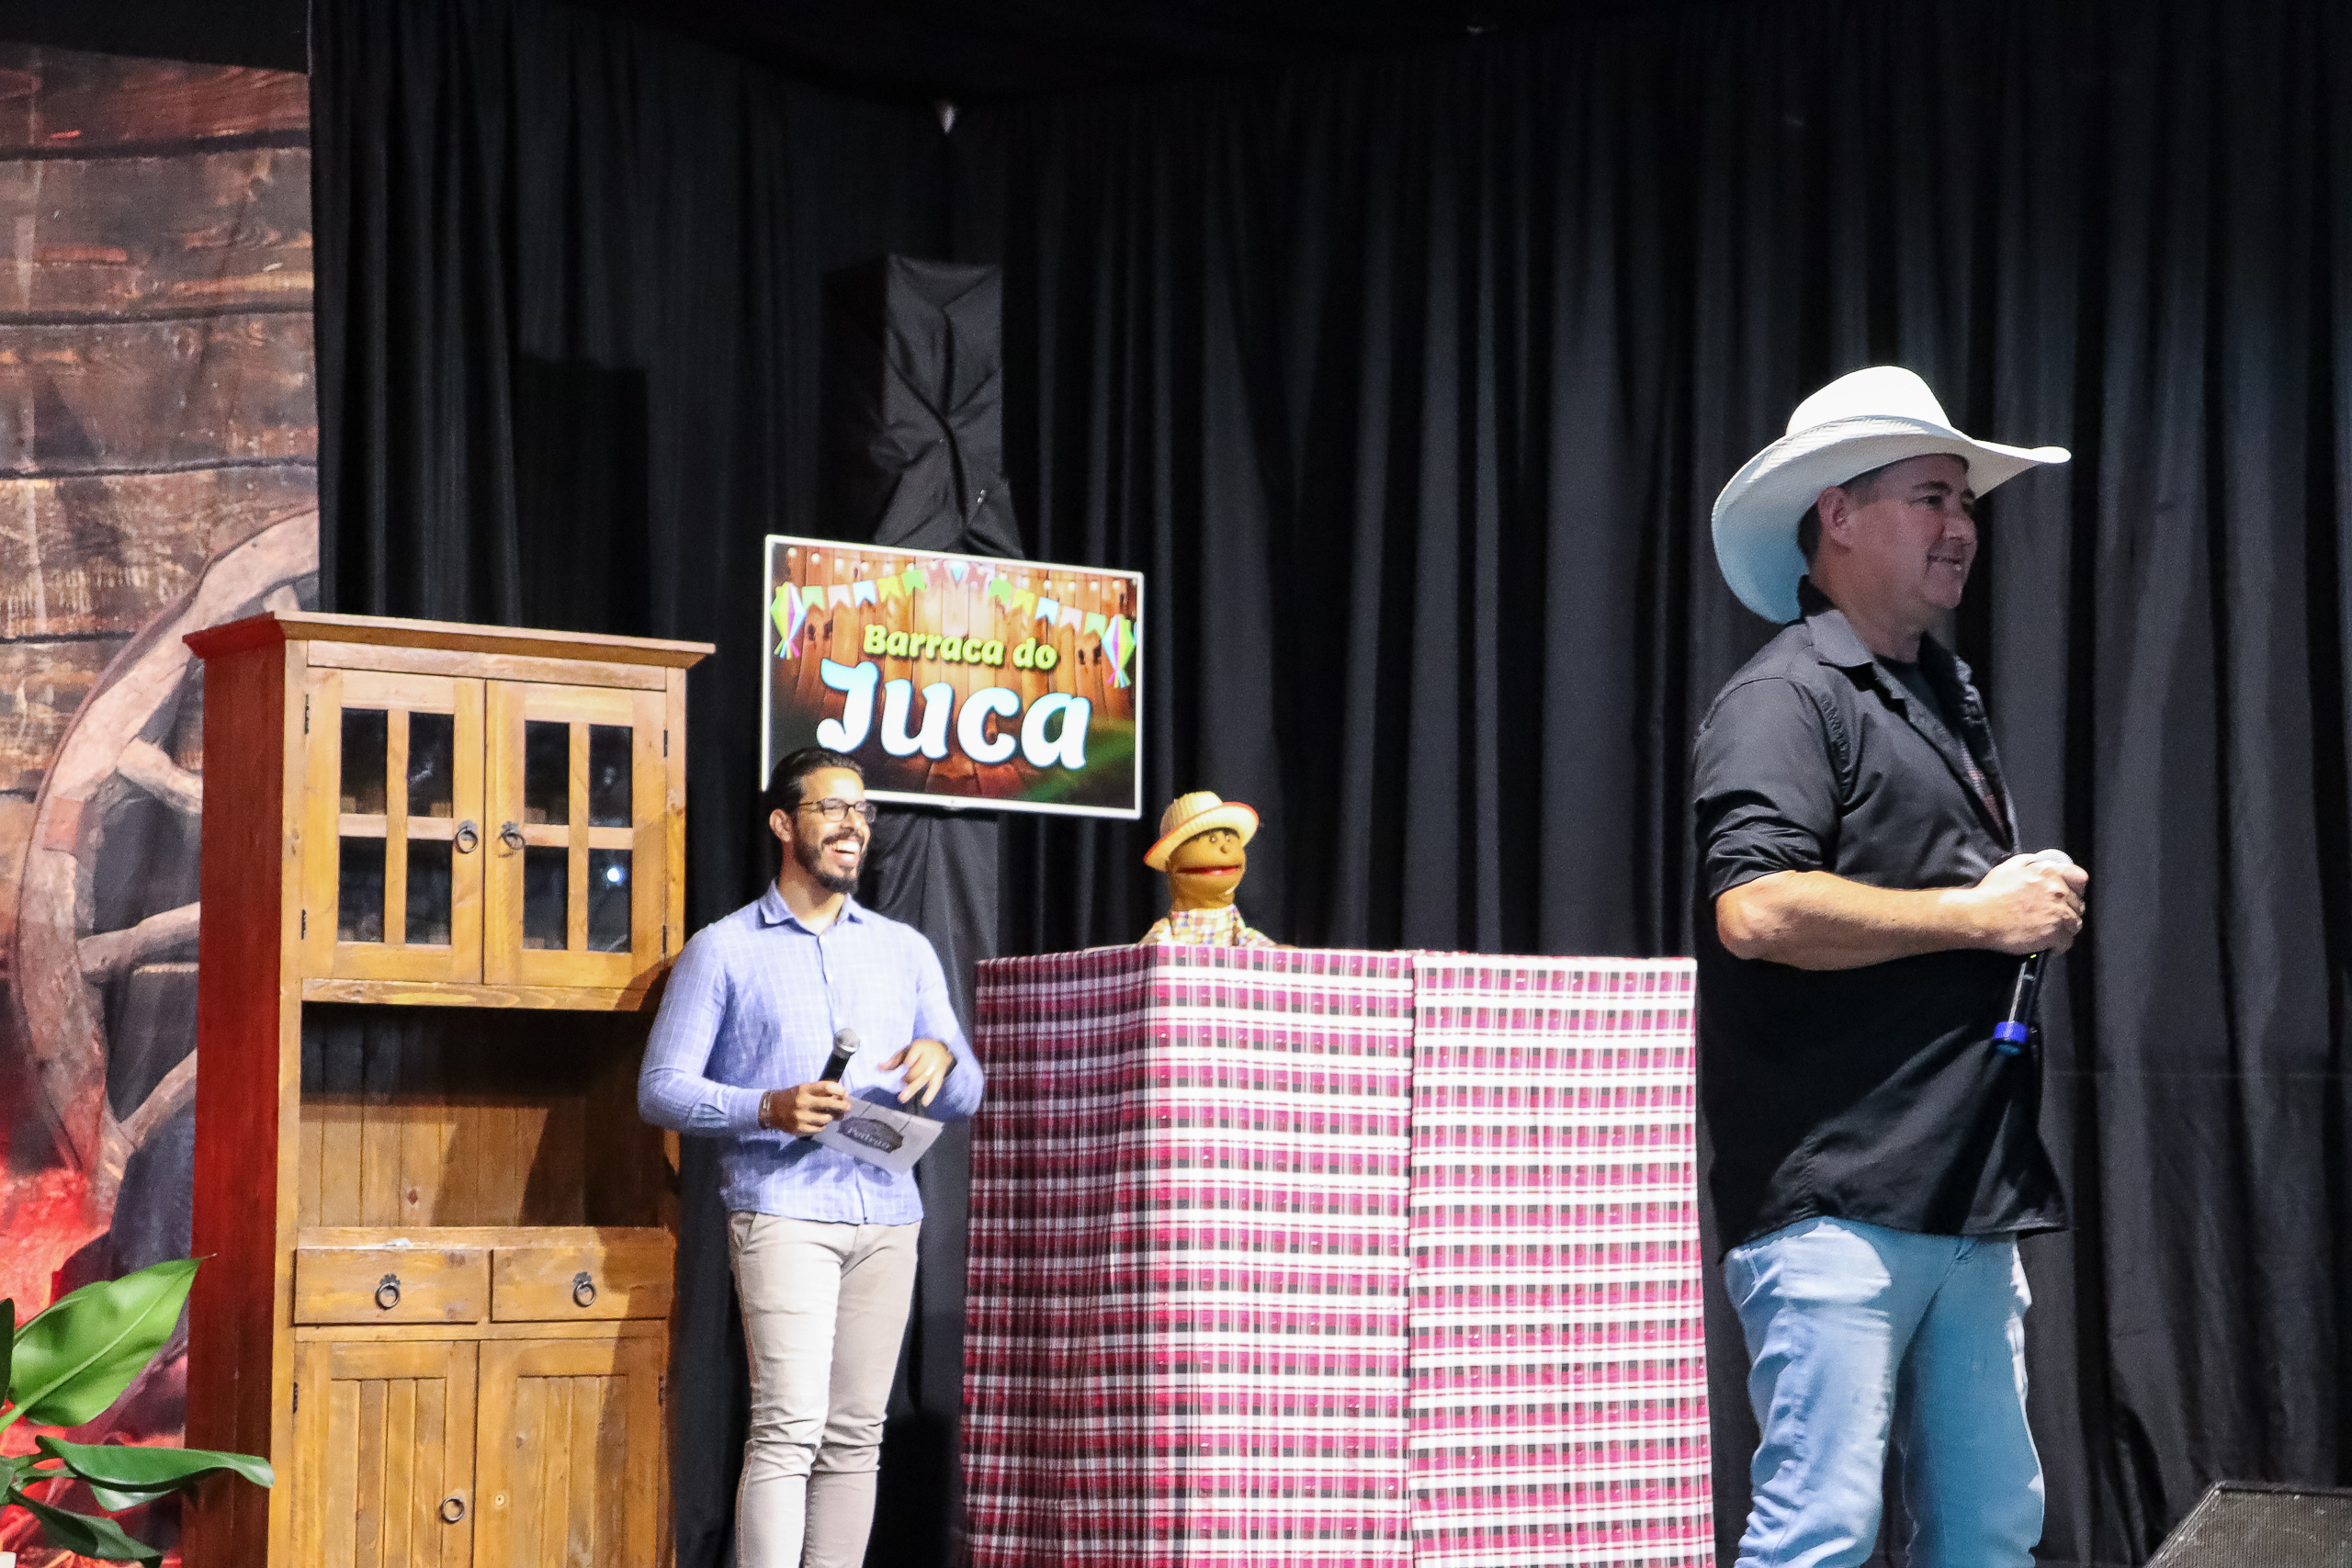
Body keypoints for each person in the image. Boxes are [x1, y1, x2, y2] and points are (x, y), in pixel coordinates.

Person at [1694, 367, 2089, 1566]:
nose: (1961, 525)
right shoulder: (1786, 694)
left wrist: (2006, 907)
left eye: (1964, 501)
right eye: (1931, 496)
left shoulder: (1941, 695)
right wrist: (1978, 914)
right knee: (1820, 1534)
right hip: (1838, 1200)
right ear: (1839, 515)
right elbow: (1757, 909)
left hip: (1965, 1194)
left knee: (1988, 1534)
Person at [637, 746, 983, 1568]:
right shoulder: (725, 948)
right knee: (789, 1425)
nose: (853, 824)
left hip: (887, 1216)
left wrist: (942, 1058)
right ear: (784, 823)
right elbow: (660, 1089)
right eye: (832, 808)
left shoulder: (905, 950)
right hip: (783, 1211)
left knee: (856, 1432)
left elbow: (968, 1089)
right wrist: (767, 1106)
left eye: (862, 810)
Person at [1138, 790, 1278, 946]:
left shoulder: (1234, 926)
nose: (1225, 847)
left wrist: (1277, 953)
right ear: (1172, 863)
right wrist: (1154, 946)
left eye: (1228, 838)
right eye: (1212, 840)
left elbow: (1253, 942)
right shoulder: (1169, 928)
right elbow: (1150, 948)